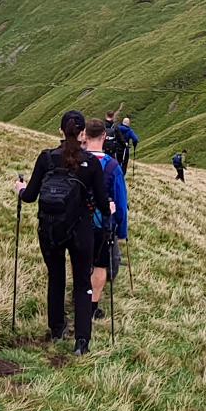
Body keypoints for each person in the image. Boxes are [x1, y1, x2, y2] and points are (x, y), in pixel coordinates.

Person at [15, 110, 108, 355]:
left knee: (56, 277)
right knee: (82, 282)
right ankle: (82, 342)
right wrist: (109, 208)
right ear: (83, 134)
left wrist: (20, 189)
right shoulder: (91, 163)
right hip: (81, 230)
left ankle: (57, 329)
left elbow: (30, 196)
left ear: (60, 131)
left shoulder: (46, 158)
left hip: (50, 228)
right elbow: (101, 203)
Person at [84, 118, 130, 320]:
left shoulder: (76, 160)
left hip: (77, 222)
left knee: (80, 261)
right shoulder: (112, 166)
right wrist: (121, 230)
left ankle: (79, 295)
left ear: (85, 135)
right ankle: (92, 305)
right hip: (102, 223)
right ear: (104, 136)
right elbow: (120, 202)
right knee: (100, 265)